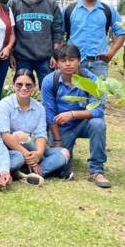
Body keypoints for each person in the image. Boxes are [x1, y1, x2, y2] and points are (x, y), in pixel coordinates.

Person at [42, 44, 109, 188]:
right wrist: (58, 140)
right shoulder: (49, 81)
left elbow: (98, 110)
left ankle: (97, 170)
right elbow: (50, 113)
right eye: (63, 60)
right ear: (56, 63)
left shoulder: (91, 80)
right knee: (60, 165)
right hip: (61, 127)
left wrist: (72, 114)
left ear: (79, 61)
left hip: (84, 123)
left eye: (71, 60)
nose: (67, 64)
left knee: (98, 123)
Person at [0, 69, 72, 186]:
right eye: (19, 85)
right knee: (19, 136)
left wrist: (38, 154)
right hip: (11, 149)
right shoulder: (5, 104)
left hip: (31, 148)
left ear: (34, 86)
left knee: (64, 153)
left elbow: (41, 135)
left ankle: (27, 174)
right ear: (13, 85)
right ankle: (46, 170)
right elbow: (5, 135)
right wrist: (27, 155)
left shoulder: (39, 108)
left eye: (28, 85)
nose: (24, 88)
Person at [7, 0, 63, 85]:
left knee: (49, 89)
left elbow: (57, 32)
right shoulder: (14, 3)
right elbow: (9, 32)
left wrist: (56, 55)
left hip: (46, 58)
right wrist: (11, 54)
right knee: (23, 90)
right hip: (22, 57)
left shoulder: (51, 4)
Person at [64, 0, 125, 79]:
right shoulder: (69, 10)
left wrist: (111, 53)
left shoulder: (107, 10)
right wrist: (64, 57)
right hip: (73, 62)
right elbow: (58, 34)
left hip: (99, 63)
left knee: (99, 94)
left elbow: (122, 32)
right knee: (74, 94)